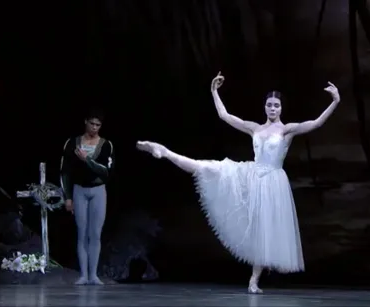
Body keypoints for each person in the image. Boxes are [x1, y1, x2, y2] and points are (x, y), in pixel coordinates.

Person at [136, 72, 340, 293]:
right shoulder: (255, 128)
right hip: (251, 175)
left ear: (281, 108)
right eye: (269, 105)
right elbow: (225, 115)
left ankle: (254, 280)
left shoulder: (286, 130)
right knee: (209, 167)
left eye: (276, 105)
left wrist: (335, 101)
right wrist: (214, 91)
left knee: (263, 231)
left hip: (272, 182)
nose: (272, 108)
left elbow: (316, 123)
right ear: (265, 107)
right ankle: (165, 152)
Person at [60, 109, 114, 285]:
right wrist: (68, 197)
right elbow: (65, 172)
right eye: (92, 124)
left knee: (95, 234)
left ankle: (93, 275)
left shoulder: (106, 145)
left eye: (98, 125)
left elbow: (106, 172)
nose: (95, 128)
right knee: (82, 233)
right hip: (79, 191)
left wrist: (87, 160)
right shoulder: (72, 143)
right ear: (85, 122)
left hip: (98, 190)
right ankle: (83, 275)